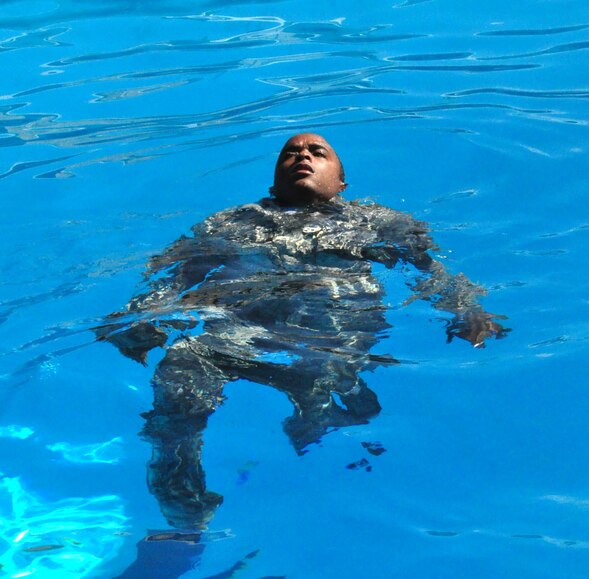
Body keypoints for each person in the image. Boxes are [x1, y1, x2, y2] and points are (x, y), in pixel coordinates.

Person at [95, 133, 509, 529]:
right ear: (274, 181)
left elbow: (428, 270)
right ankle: (179, 484)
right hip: (245, 328)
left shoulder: (377, 220)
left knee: (325, 389)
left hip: (333, 329)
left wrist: (466, 309)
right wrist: (141, 313)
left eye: (317, 152)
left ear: (341, 181)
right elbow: (174, 272)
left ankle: (321, 424)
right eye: (290, 154)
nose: (303, 157)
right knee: (183, 362)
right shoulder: (230, 222)